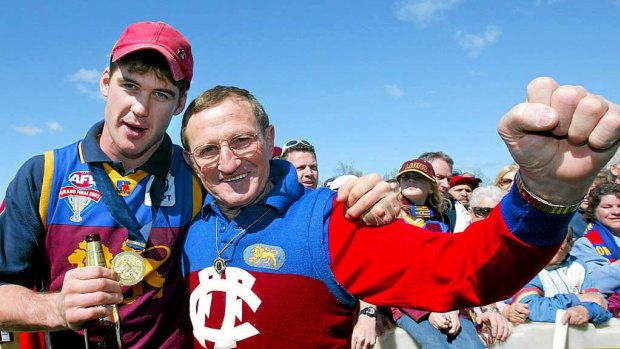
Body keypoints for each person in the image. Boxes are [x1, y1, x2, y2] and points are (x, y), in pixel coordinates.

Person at [0, 22, 399, 349]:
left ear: (179, 104)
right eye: (130, 86)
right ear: (105, 81)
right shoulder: (44, 174)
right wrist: (54, 310)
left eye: (160, 94)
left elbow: (280, 194)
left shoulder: (199, 172)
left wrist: (356, 202)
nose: (140, 108)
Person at [179, 77, 620, 348]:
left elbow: (463, 269)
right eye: (208, 150)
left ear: (269, 137)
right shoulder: (193, 229)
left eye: (241, 141)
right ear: (191, 162)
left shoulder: (331, 221)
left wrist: (543, 196)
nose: (229, 162)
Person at [392, 159, 486, 348]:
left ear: (430, 186)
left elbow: (450, 267)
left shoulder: (442, 220)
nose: (411, 181)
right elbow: (392, 272)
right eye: (406, 177)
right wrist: (428, 310)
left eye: (418, 178)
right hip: (408, 303)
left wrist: (452, 307)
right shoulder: (390, 217)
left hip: (446, 301)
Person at [507, 228, 612, 326]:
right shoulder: (524, 267)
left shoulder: (578, 265)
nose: (548, 246)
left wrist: (587, 311)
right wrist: (577, 299)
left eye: (556, 240)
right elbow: (531, 308)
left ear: (570, 245)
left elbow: (600, 305)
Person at [571, 182, 620, 296]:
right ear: (594, 211)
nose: (616, 212)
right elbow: (592, 283)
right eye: (607, 207)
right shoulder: (585, 244)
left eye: (619, 206)